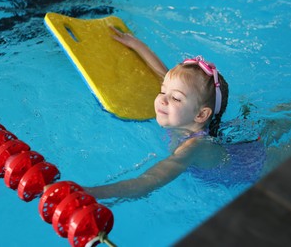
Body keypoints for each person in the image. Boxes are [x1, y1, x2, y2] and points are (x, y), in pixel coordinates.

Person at [82, 26, 230, 199]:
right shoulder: (185, 115)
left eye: (175, 98)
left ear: (201, 115)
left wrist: (90, 193)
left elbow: (148, 181)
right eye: (162, 91)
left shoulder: (195, 146)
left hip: (247, 170)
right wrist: (135, 44)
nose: (162, 99)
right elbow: (162, 73)